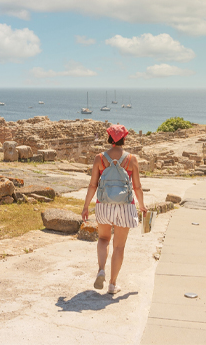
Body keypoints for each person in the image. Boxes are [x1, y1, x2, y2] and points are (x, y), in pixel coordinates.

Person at [81, 124, 147, 294]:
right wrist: (142, 205)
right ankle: (112, 284)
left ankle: (101, 269)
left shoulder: (99, 158)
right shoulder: (131, 159)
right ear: (124, 139)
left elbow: (93, 185)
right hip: (125, 207)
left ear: (109, 138)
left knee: (103, 239)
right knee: (119, 246)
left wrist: (86, 206)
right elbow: (137, 187)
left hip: (104, 204)